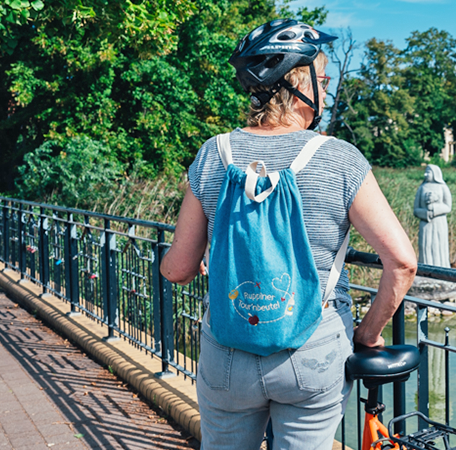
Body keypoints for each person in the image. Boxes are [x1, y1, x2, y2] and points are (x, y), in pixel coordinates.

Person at [159, 19, 417, 450]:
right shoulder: (339, 158)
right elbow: (402, 262)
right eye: (323, 77)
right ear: (297, 81)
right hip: (312, 345)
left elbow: (179, 268)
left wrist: (197, 257)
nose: (327, 87)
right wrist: (368, 335)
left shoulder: (213, 153)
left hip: (229, 349)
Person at [413, 164, 452, 267]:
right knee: (425, 245)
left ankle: (441, 269)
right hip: (425, 224)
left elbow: (448, 207)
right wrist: (425, 213)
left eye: (428, 172)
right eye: (426, 172)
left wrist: (434, 209)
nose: (426, 174)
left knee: (438, 246)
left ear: (435, 174)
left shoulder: (443, 187)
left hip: (439, 223)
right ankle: (425, 268)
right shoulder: (422, 188)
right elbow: (416, 209)